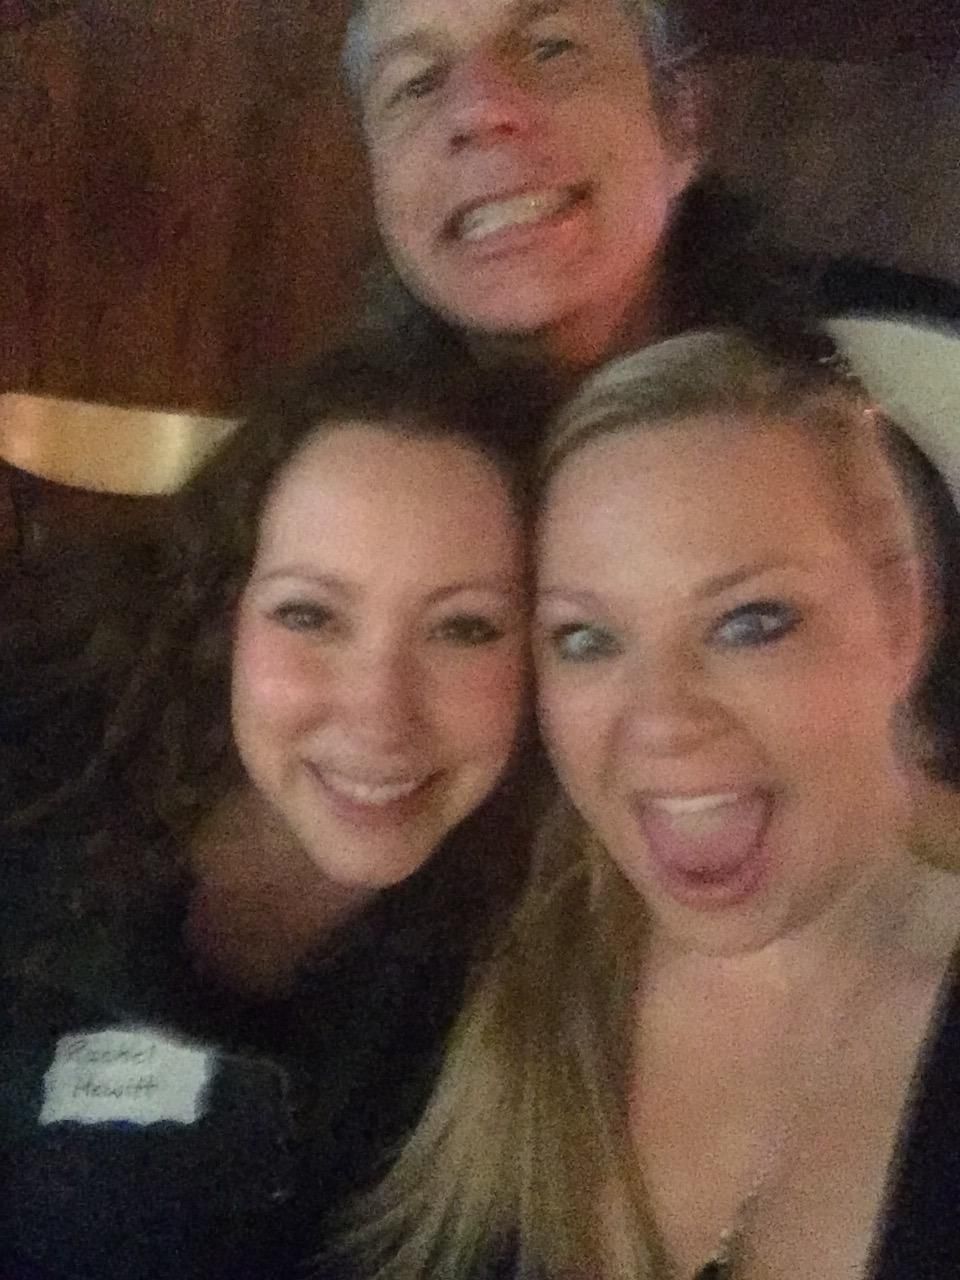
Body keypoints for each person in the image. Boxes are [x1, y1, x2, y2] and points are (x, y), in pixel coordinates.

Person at [352, 327, 960, 1280]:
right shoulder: (457, 987)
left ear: (901, 613)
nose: (661, 722)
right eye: (586, 639)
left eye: (750, 622)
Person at [0, 341, 536, 1279]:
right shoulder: (32, 797)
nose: (379, 714)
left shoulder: (548, 968)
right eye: (310, 614)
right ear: (225, 613)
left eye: (464, 627)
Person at [342, 0, 960, 386]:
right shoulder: (327, 481)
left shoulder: (919, 379)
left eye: (550, 47)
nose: (478, 109)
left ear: (681, 122)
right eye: (416, 83)